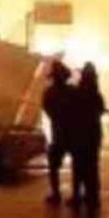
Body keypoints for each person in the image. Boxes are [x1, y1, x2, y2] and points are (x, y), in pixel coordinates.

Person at [69, 62, 105, 210]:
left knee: (78, 166)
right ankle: (93, 197)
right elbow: (101, 111)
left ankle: (77, 196)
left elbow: (70, 112)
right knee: (92, 166)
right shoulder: (96, 94)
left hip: (79, 134)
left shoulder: (77, 93)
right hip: (93, 134)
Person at [42, 60, 75, 205]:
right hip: (73, 134)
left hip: (59, 134)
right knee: (78, 165)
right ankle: (77, 195)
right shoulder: (73, 91)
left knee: (53, 165)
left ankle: (56, 194)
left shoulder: (49, 93)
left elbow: (48, 110)